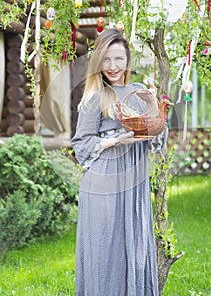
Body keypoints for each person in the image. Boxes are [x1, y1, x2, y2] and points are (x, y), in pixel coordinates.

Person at [72, 28, 160, 296]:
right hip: (104, 180)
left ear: (127, 61)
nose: (112, 66)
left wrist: (154, 105)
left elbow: (156, 138)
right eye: (106, 59)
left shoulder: (138, 92)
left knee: (133, 246)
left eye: (118, 59)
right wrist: (116, 140)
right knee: (105, 250)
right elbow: (81, 143)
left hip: (134, 180)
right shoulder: (95, 97)